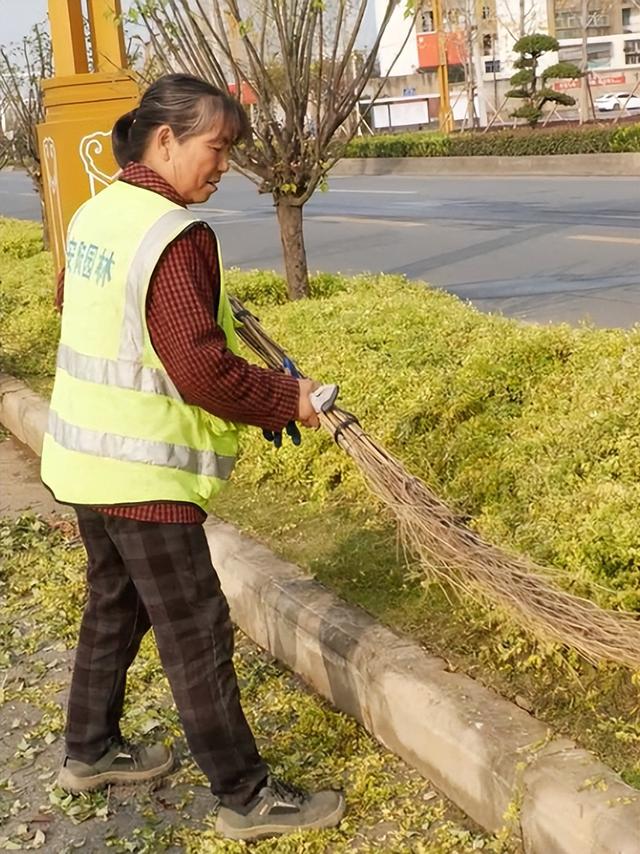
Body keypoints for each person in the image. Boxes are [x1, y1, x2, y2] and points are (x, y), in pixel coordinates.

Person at [40, 73, 345, 842]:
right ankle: (247, 797)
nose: (225, 165)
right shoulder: (176, 235)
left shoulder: (98, 211)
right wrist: (288, 399)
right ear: (166, 139)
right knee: (195, 627)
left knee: (116, 603)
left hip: (84, 458)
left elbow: (75, 301)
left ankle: (90, 749)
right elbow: (201, 371)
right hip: (143, 471)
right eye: (217, 147)